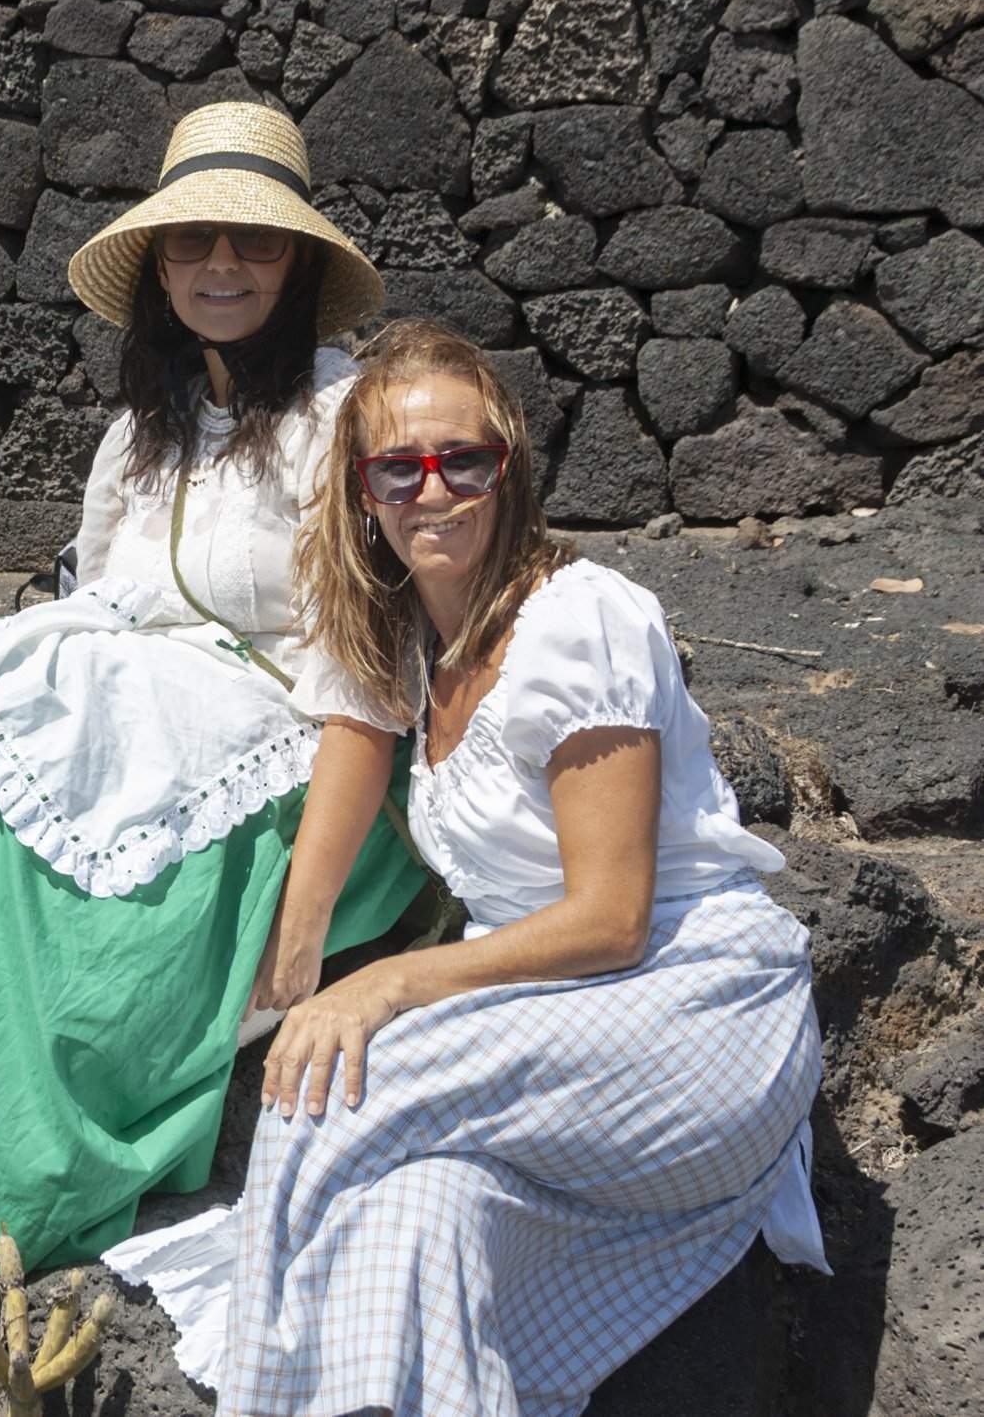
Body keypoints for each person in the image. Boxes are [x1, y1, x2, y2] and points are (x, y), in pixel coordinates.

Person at [0, 102, 423, 1393]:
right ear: (158, 268)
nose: (220, 265)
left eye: (253, 242)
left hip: (285, 760)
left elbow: (362, 690)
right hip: (134, 729)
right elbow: (101, 602)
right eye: (192, 243)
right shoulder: (143, 432)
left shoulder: (346, 420)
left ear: (297, 263)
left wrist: (302, 923)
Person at [106, 318, 825, 1417]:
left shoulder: (579, 618)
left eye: (463, 460)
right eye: (398, 467)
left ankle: (261, 1383)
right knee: (417, 1215)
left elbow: (612, 919)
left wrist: (389, 979)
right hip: (552, 1027)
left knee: (326, 1095)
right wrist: (296, 945)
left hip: (690, 1004)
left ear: (509, 469)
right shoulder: (411, 643)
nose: (432, 490)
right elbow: (347, 734)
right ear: (361, 492)